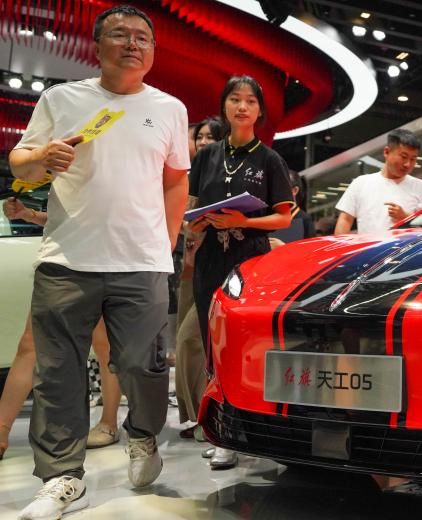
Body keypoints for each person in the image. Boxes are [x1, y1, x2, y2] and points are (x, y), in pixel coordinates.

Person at [8, 5, 190, 518]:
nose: (133, 44)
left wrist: (164, 246)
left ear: (153, 51)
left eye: (143, 37)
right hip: (67, 258)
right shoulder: (62, 99)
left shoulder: (170, 109)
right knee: (57, 371)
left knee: (141, 362)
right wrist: (42, 157)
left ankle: (142, 433)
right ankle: (62, 476)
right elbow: (21, 160)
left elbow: (176, 181)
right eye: (120, 34)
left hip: (142, 261)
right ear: (97, 44)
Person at [187, 75, 294, 469]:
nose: (242, 106)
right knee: (211, 344)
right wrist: (195, 224)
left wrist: (243, 221)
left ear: (260, 110)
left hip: (251, 261)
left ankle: (246, 430)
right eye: (235, 99)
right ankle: (222, 430)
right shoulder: (206, 157)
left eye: (250, 100)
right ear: (225, 106)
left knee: (243, 346)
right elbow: (190, 210)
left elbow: (283, 218)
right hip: (209, 259)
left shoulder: (269, 160)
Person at [0, 199, 125, 458]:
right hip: (60, 262)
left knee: (104, 344)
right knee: (31, 344)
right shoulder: (63, 181)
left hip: (99, 261)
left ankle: (109, 423)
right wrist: (30, 214)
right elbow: (66, 217)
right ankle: (1, 430)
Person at [174, 116, 225, 446]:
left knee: (192, 340)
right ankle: (198, 415)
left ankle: (209, 415)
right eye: (200, 137)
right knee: (190, 341)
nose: (204, 142)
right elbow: (179, 220)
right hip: (190, 268)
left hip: (220, 268)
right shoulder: (187, 176)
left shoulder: (227, 176)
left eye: (211, 137)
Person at [333, 129, 422, 234]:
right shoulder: (361, 183)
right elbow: (345, 220)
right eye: (403, 157)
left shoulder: (420, 186)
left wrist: (406, 218)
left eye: (413, 159)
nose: (407, 164)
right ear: (387, 152)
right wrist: (339, 244)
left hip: (408, 245)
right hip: (369, 244)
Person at [269, 169, 314, 244]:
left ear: (295, 190)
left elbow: (310, 249)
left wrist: (283, 247)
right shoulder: (267, 216)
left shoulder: (305, 220)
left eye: (281, 187)